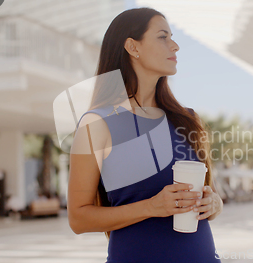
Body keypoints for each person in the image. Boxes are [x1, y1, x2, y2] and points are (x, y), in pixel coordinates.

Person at [66, 7, 223, 263]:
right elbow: (78, 218)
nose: (175, 46)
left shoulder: (187, 120)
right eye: (163, 37)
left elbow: (211, 195)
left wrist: (215, 203)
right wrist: (152, 207)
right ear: (132, 47)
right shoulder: (96, 124)